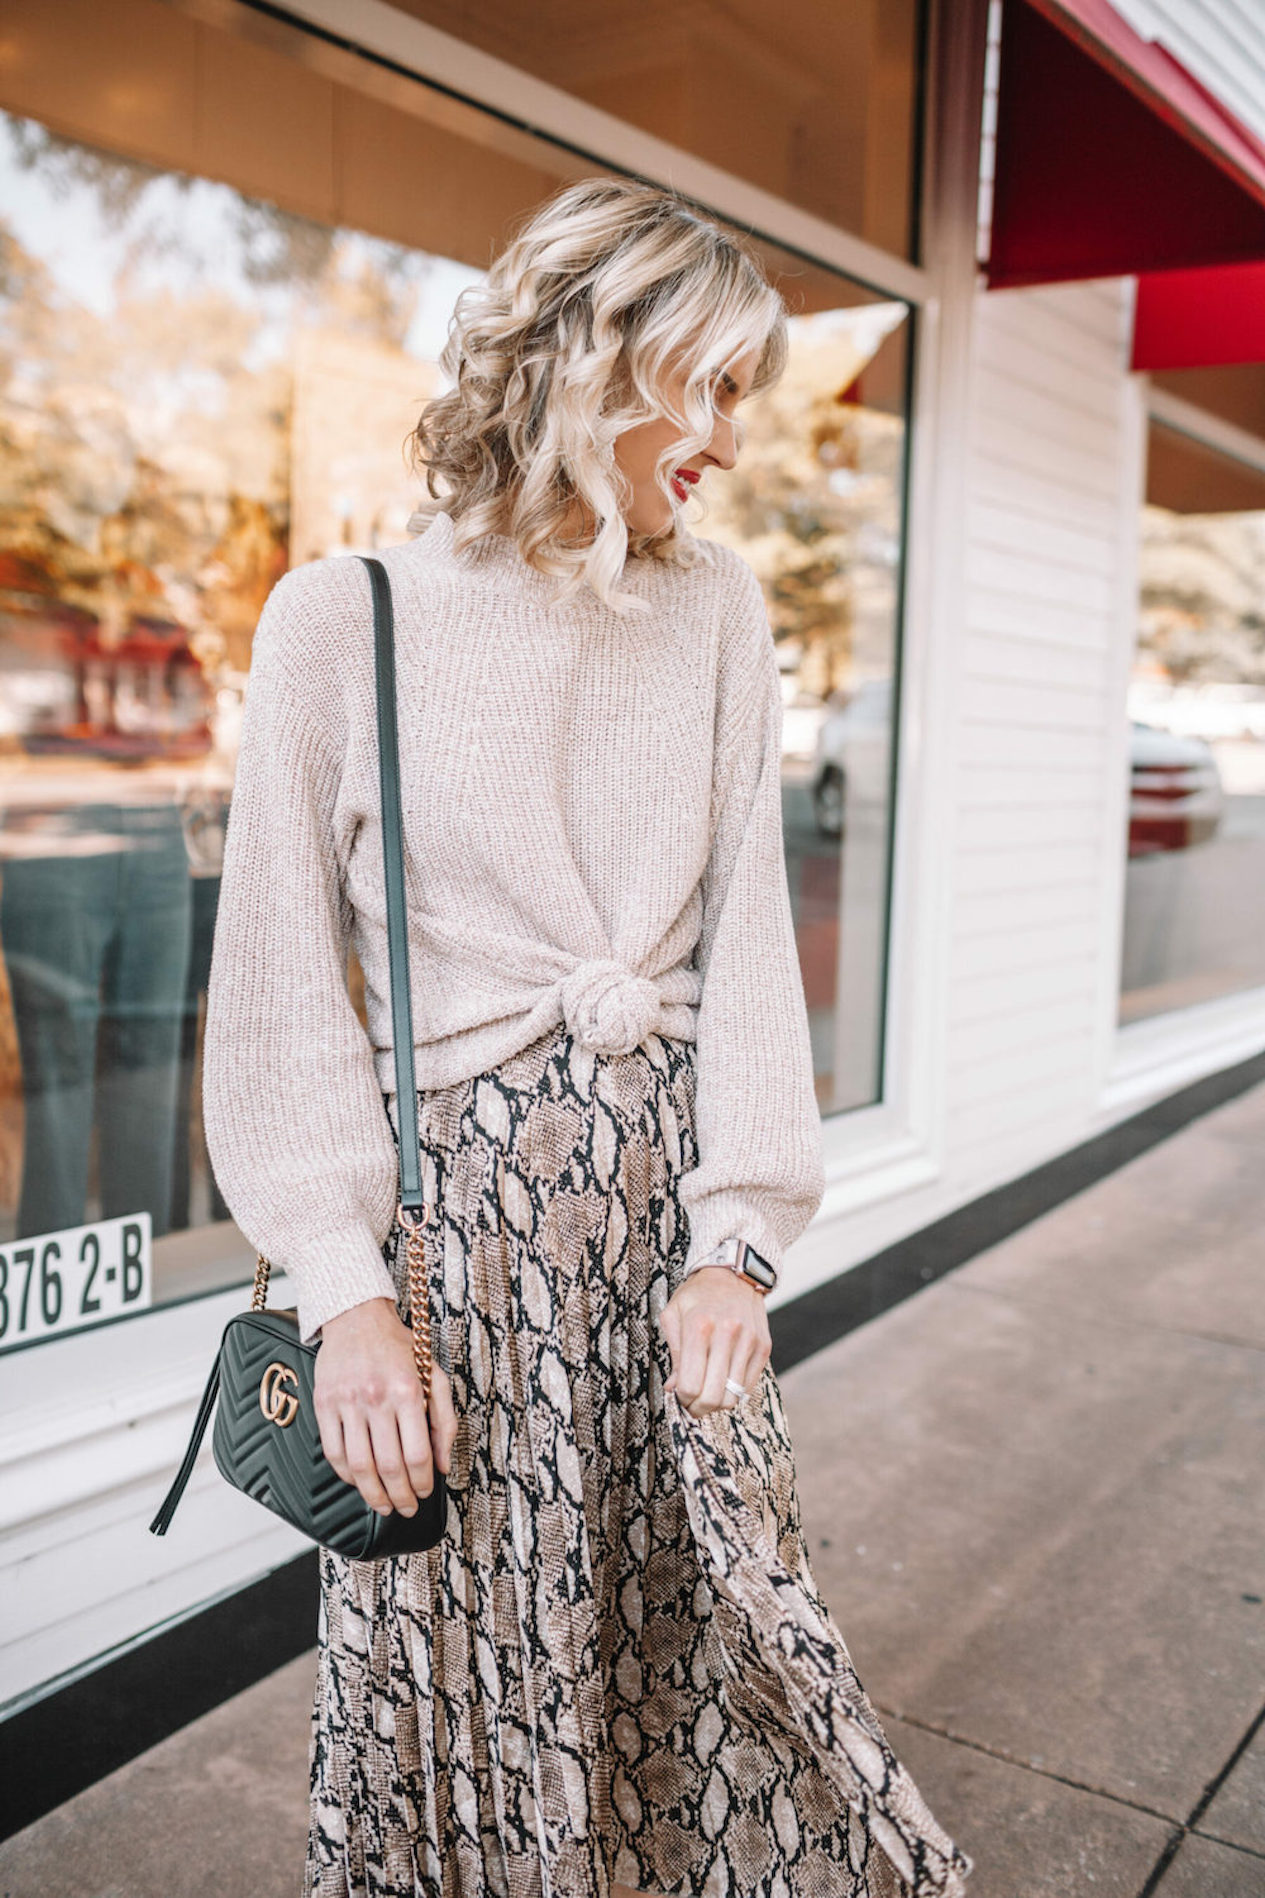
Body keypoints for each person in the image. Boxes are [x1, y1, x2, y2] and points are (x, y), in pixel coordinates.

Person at [201, 176, 972, 1898]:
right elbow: (273, 986)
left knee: (708, 1680)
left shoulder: (717, 616)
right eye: (697, 386)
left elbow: (750, 947)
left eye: (738, 399)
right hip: (451, 1263)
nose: (720, 439)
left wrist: (741, 1245)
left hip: (658, 1250)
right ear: (579, 357)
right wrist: (340, 1295)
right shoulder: (346, 620)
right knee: (456, 1686)